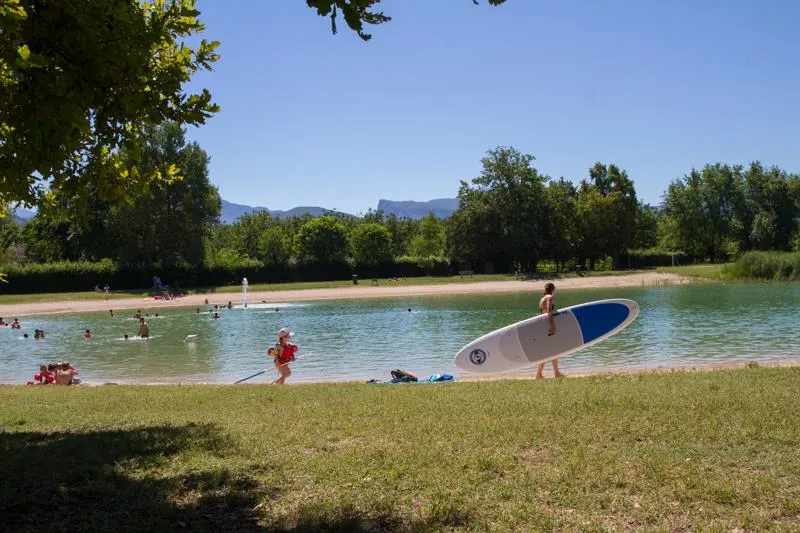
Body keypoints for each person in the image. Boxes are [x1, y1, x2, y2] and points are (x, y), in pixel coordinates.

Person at [535, 282, 565, 379]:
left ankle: (545, 374)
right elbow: (548, 311)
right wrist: (551, 325)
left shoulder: (542, 298)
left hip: (542, 326)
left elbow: (541, 313)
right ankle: (550, 373)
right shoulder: (549, 297)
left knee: (550, 350)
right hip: (547, 326)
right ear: (553, 290)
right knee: (552, 350)